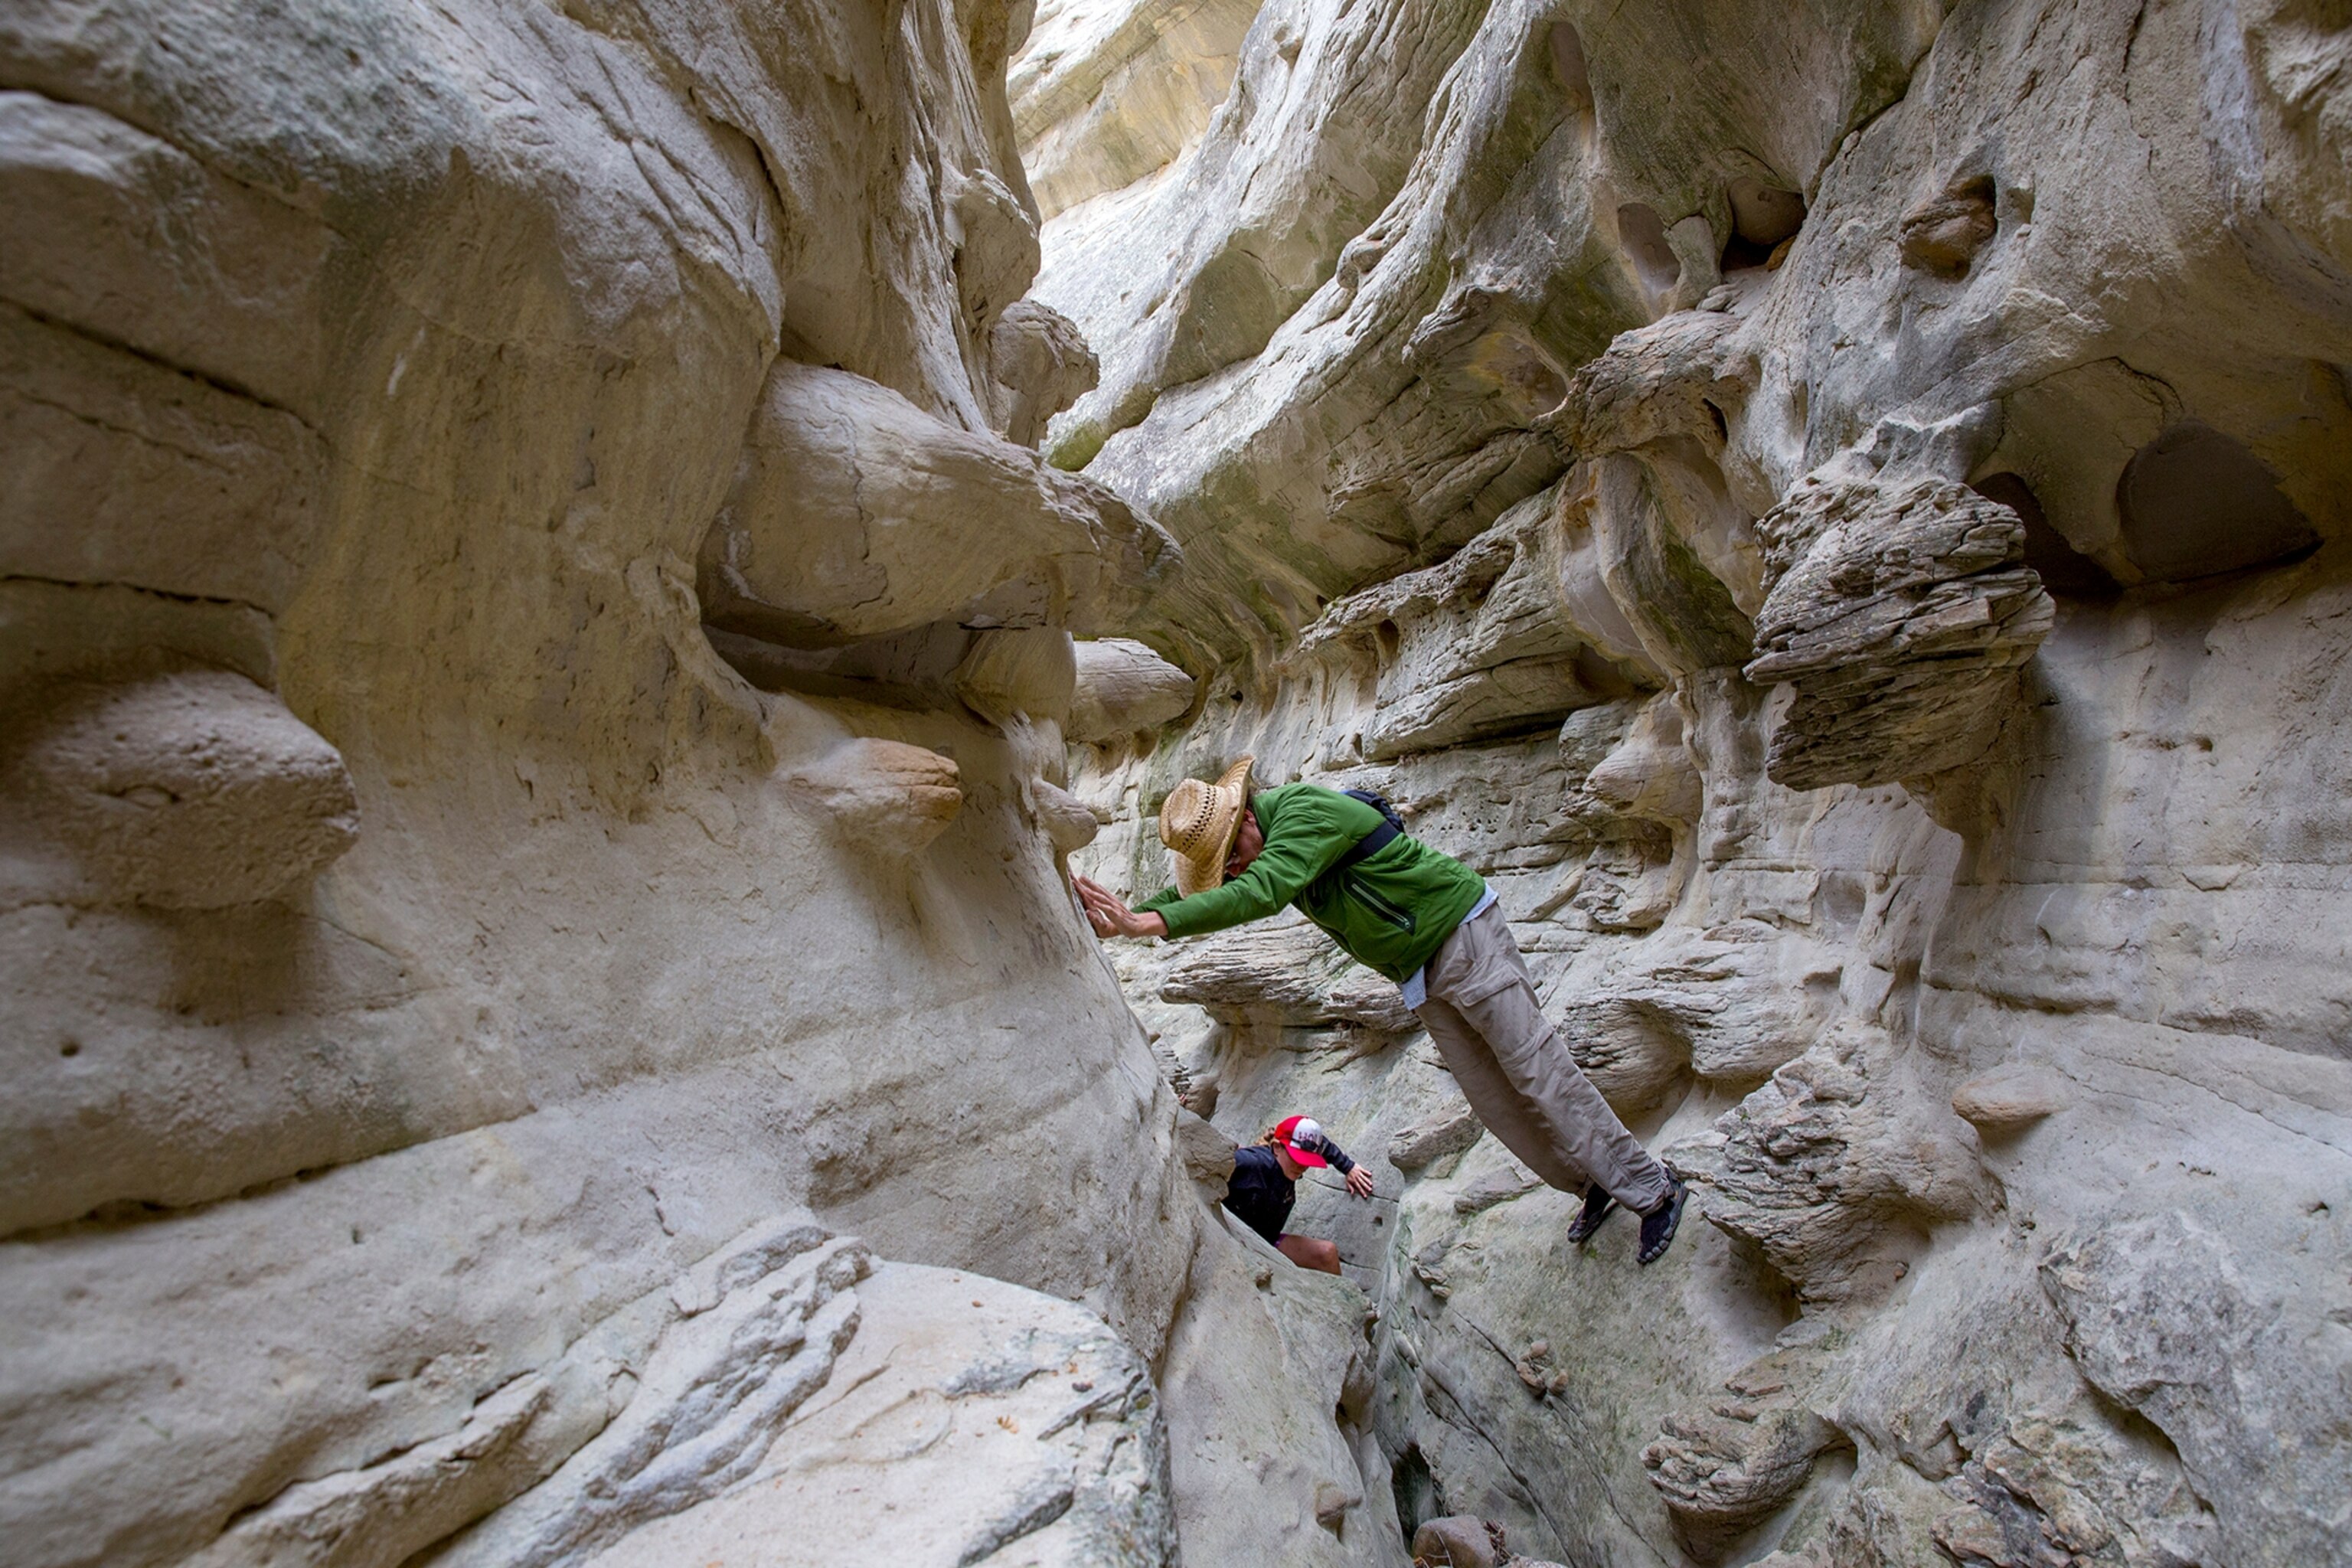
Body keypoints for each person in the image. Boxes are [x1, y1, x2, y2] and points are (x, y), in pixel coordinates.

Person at [1073, 757, 1688, 1265]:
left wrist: (1148, 924)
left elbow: (1258, 895)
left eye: (1229, 858)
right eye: (1223, 866)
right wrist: (1126, 913)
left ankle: (1652, 1189)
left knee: (1539, 1072)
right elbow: (1199, 895)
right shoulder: (1263, 848)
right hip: (1421, 973)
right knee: (1495, 1099)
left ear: (1243, 820)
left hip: (1463, 936)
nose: (1233, 871)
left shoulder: (1302, 815)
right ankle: (1591, 1184)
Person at [1223, 1114, 1376, 1273]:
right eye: (1298, 1159)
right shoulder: (1254, 1164)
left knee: (1327, 1253)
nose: (1302, 1167)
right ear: (1277, 1147)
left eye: (1307, 1161)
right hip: (1231, 1237)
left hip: (1267, 1241)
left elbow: (1322, 1145)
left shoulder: (1288, 1161)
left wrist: (1348, 1167)